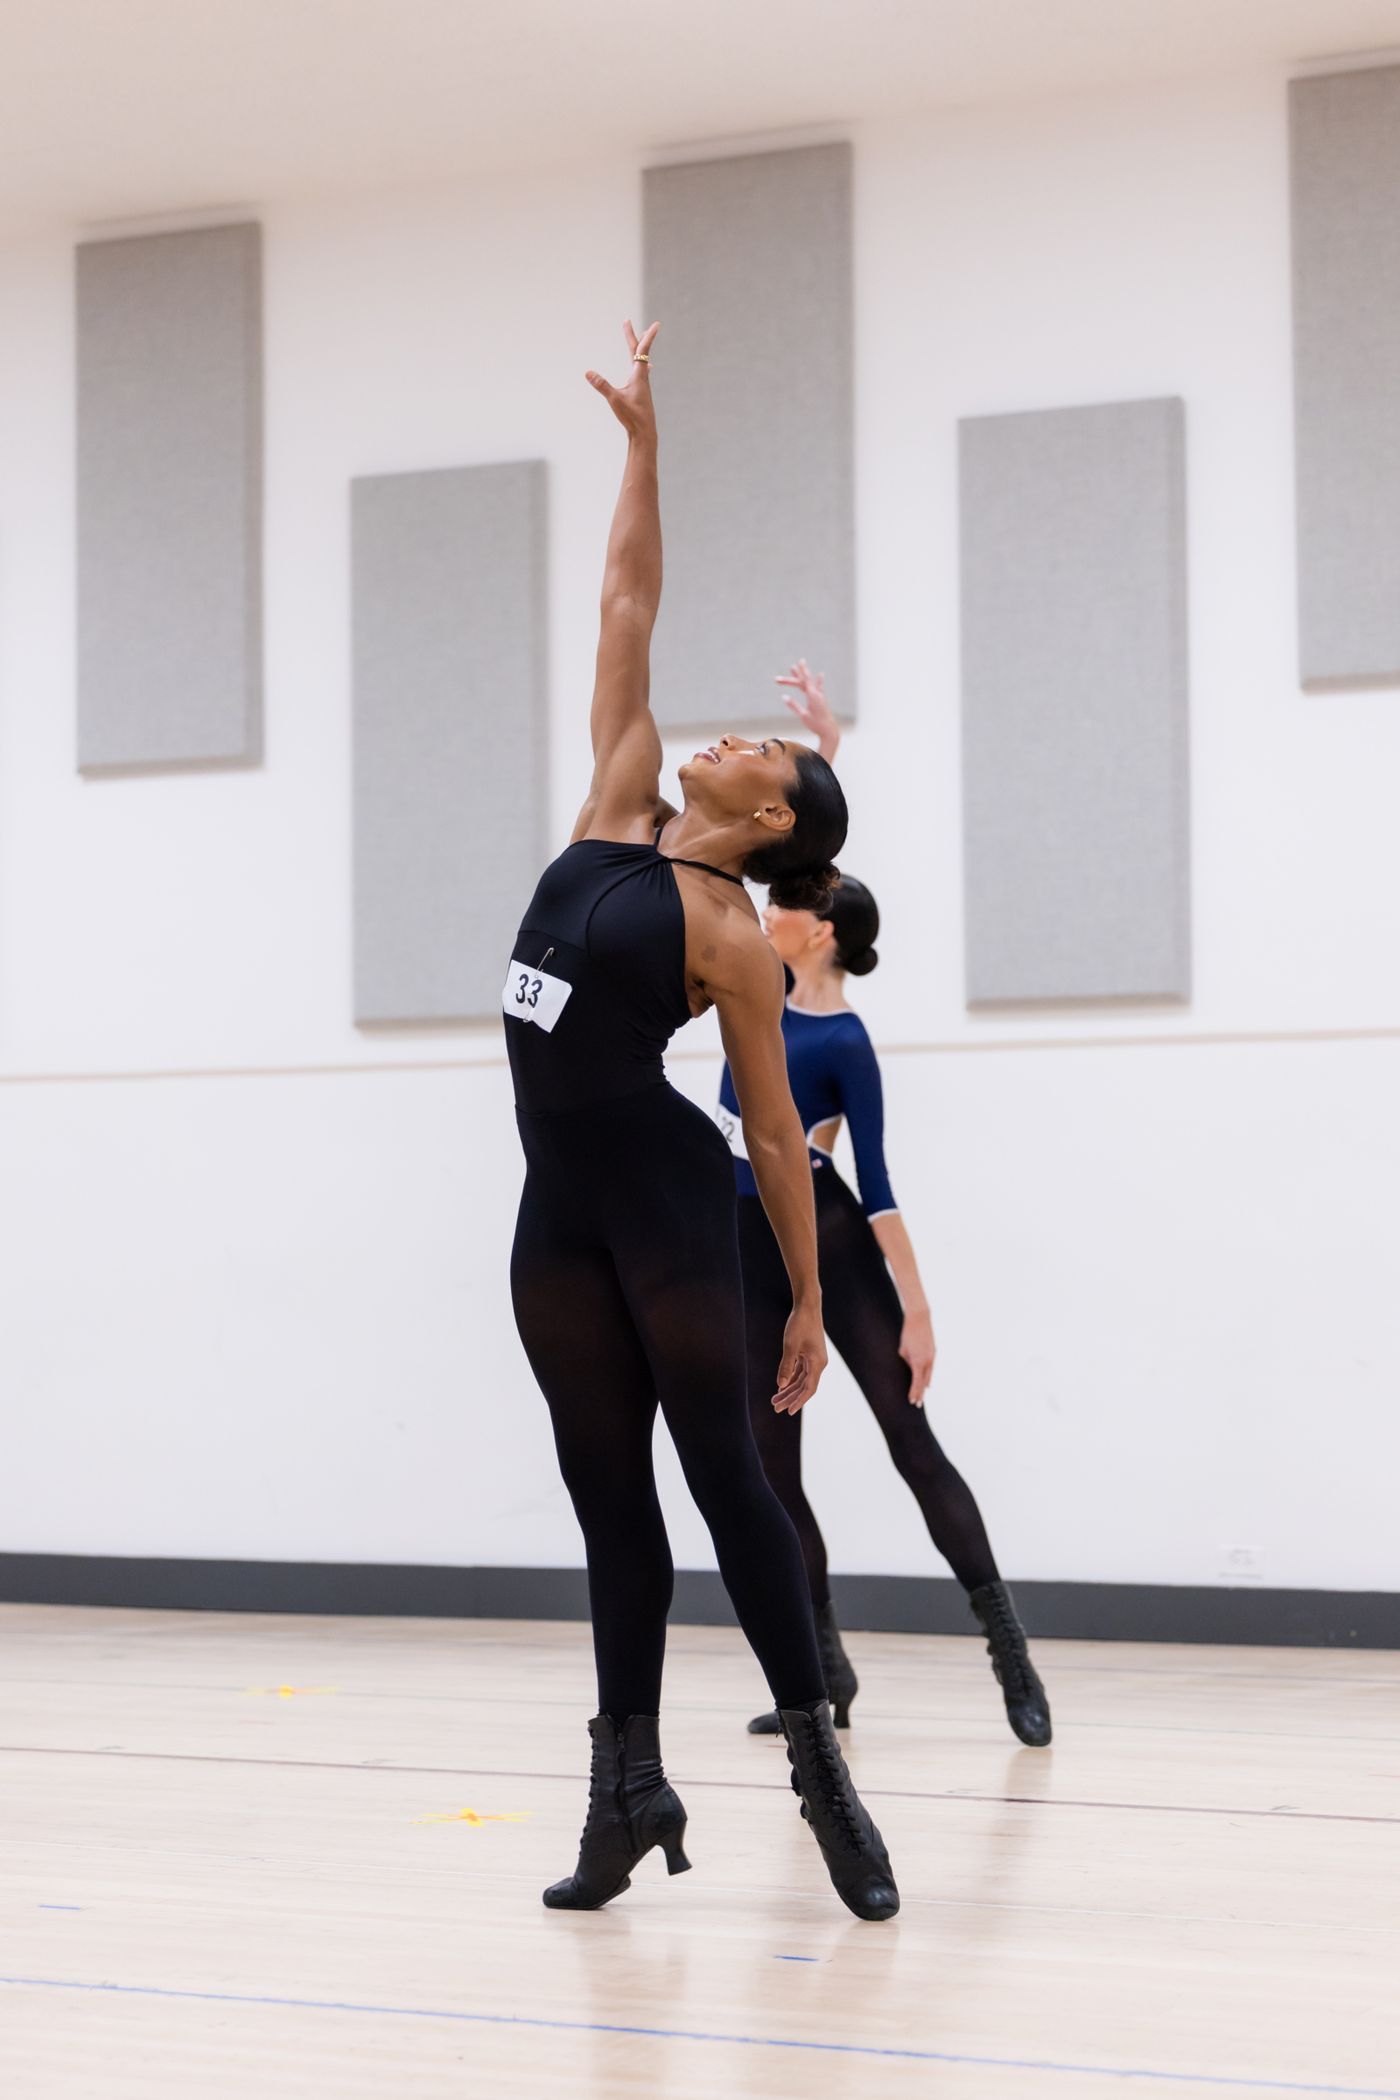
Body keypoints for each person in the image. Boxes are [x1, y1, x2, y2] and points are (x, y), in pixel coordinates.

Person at [503, 325, 899, 1921]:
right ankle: (628, 1790)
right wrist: (642, 450)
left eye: (766, 756)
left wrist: (805, 1294)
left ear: (775, 819)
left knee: (728, 1476)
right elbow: (625, 603)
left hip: (670, 1210)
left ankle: (823, 1782)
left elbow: (761, 1124)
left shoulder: (729, 934)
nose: (731, 737)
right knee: (609, 1503)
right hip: (556, 1215)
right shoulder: (619, 800)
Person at [719, 662, 1052, 1748]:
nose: (765, 908)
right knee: (773, 1480)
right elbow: (797, 850)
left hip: (828, 1238)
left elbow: (882, 1188)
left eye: (785, 906)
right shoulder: (752, 986)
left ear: (815, 930)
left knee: (912, 1448)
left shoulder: (842, 1040)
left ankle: (1007, 1649)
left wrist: (914, 1311)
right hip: (741, 1242)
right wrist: (824, 749)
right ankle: (819, 1675)